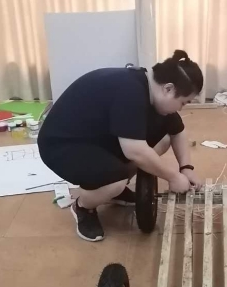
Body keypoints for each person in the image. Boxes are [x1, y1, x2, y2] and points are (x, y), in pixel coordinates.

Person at [38, 50, 203, 242]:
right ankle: (83, 206)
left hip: (96, 138)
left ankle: (111, 188)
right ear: (168, 89)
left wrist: (186, 168)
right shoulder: (130, 93)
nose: (181, 108)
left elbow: (177, 131)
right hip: (62, 145)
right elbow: (134, 151)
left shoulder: (148, 88)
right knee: (116, 180)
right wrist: (173, 177)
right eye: (183, 102)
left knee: (163, 139)